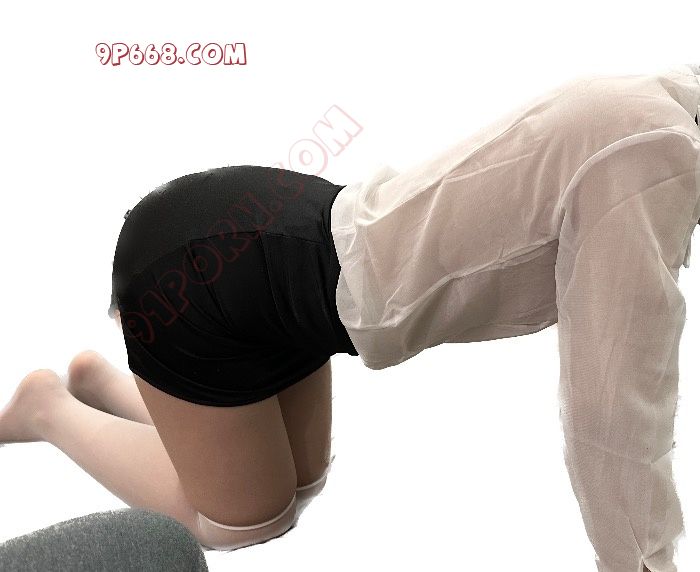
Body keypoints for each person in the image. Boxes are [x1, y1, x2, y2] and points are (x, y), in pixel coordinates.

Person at [0, 63, 699, 571]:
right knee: (242, 522)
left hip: (288, 255)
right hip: (205, 275)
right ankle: (47, 409)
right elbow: (615, 405)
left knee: (300, 486)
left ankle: (101, 381)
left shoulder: (662, 101)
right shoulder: (653, 156)